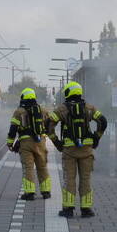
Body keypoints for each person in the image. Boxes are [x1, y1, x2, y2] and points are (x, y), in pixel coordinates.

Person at [47, 81, 108, 218]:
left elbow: (48, 124)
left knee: (69, 179)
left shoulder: (62, 109)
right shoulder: (89, 108)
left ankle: (68, 209)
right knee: (86, 179)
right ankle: (86, 209)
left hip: (69, 150)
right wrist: (96, 138)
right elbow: (103, 121)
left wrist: (56, 142)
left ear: (69, 93)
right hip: (86, 150)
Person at [6, 87, 51, 201]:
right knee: (42, 167)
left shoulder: (19, 112)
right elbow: (49, 126)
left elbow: (13, 129)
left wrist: (10, 143)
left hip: (26, 144)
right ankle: (46, 192)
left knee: (28, 168)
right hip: (40, 142)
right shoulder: (43, 110)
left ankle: (29, 193)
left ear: (23, 98)